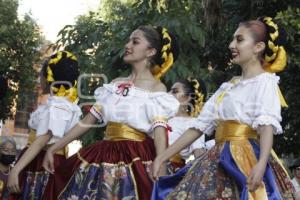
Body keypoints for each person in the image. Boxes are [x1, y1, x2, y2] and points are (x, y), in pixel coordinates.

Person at [152, 17, 296, 199]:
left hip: (246, 156)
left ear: (258, 47)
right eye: (233, 39)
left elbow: (266, 126)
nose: (231, 44)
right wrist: (163, 156)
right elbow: (198, 127)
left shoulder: (265, 82)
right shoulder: (227, 87)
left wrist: (261, 163)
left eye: (239, 39)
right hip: (218, 157)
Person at [42, 25, 180, 200]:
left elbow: (160, 132)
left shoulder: (156, 88)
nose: (128, 45)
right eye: (129, 40)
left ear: (150, 52)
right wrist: (54, 148)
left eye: (135, 42)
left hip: (136, 156)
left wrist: (161, 162)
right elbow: (88, 121)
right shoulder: (114, 84)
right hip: (104, 153)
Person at [7, 51, 82, 199]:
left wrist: (16, 169)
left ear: (48, 78)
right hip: (41, 160)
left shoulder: (58, 106)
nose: (38, 79)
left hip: (42, 163)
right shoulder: (63, 104)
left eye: (40, 75)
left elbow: (41, 141)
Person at [167, 78, 214, 172]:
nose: (168, 94)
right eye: (169, 90)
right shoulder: (161, 117)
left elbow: (199, 155)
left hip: (169, 174)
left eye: (175, 91)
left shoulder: (193, 124)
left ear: (188, 97)